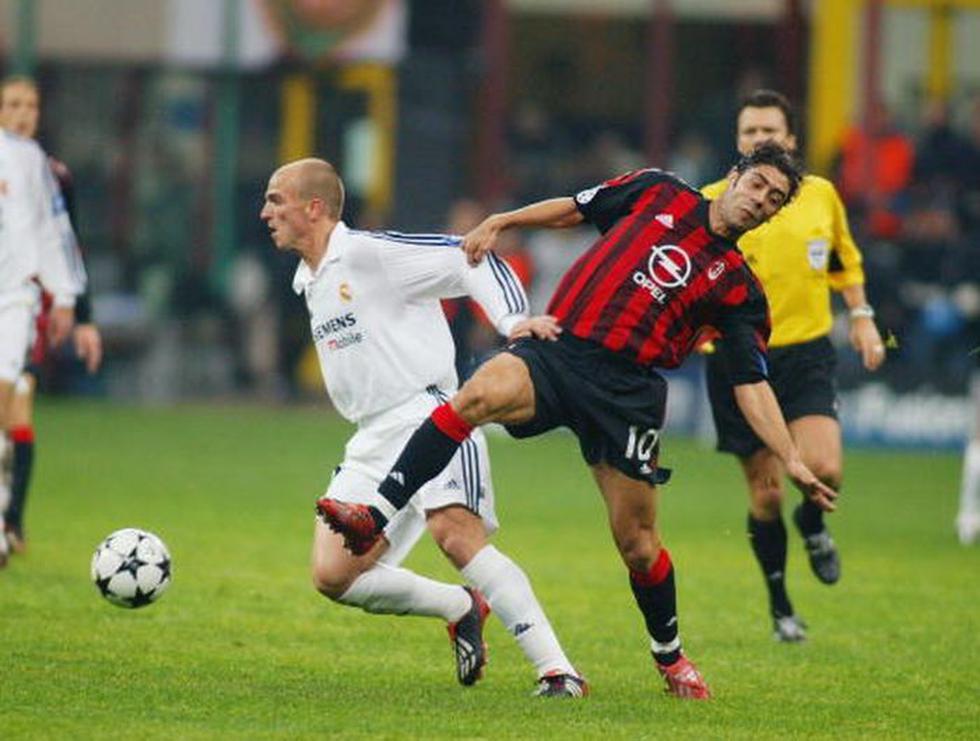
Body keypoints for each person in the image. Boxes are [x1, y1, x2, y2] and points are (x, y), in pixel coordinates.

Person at [317, 142, 839, 700]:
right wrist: (504, 219)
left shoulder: (740, 290)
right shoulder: (658, 191)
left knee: (638, 544)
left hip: (627, 396)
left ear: (774, 215)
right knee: (475, 396)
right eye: (758, 184)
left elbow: (750, 384)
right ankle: (376, 515)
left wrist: (789, 457)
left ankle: (670, 656)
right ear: (734, 177)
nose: (761, 200)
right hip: (562, 351)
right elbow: (574, 208)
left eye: (775, 200)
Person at [260, 158, 587, 697]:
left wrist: (512, 324)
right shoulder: (308, 278)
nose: (265, 211)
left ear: (313, 208)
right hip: (371, 437)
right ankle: (460, 606)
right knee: (333, 575)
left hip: (432, 414)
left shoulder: (367, 253)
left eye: (276, 200)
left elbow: (471, 258)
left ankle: (557, 670)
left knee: (455, 534)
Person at [701, 90, 885, 642]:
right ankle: (782, 608)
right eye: (750, 133)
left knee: (824, 470)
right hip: (735, 361)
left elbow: (842, 261)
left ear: (792, 140)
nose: (760, 140)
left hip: (804, 351)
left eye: (770, 132)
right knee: (767, 493)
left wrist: (862, 315)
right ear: (738, 145)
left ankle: (813, 525)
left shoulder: (821, 196)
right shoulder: (711, 200)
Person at [0, 75, 103, 555]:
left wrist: (73, 305)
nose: (23, 113)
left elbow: (62, 238)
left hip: (21, 302)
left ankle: (9, 517)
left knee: (14, 400)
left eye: (31, 105)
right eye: (13, 104)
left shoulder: (46, 169)